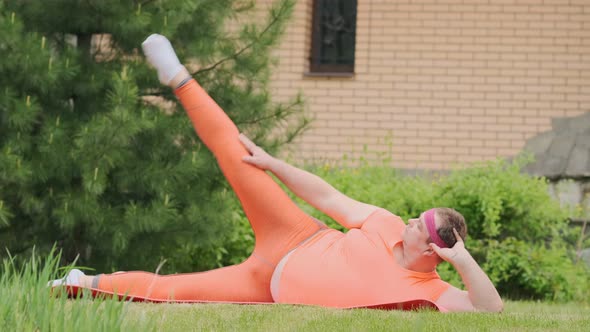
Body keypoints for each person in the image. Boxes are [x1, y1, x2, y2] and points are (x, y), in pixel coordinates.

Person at [51, 34, 503, 313]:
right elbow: (328, 199)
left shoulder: (431, 290)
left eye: (418, 224)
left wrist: (462, 260)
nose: (408, 221)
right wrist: (273, 163)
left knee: (172, 290)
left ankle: (79, 284)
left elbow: (491, 312)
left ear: (436, 247)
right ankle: (178, 77)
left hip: (265, 287)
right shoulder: (384, 224)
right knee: (240, 156)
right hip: (295, 236)